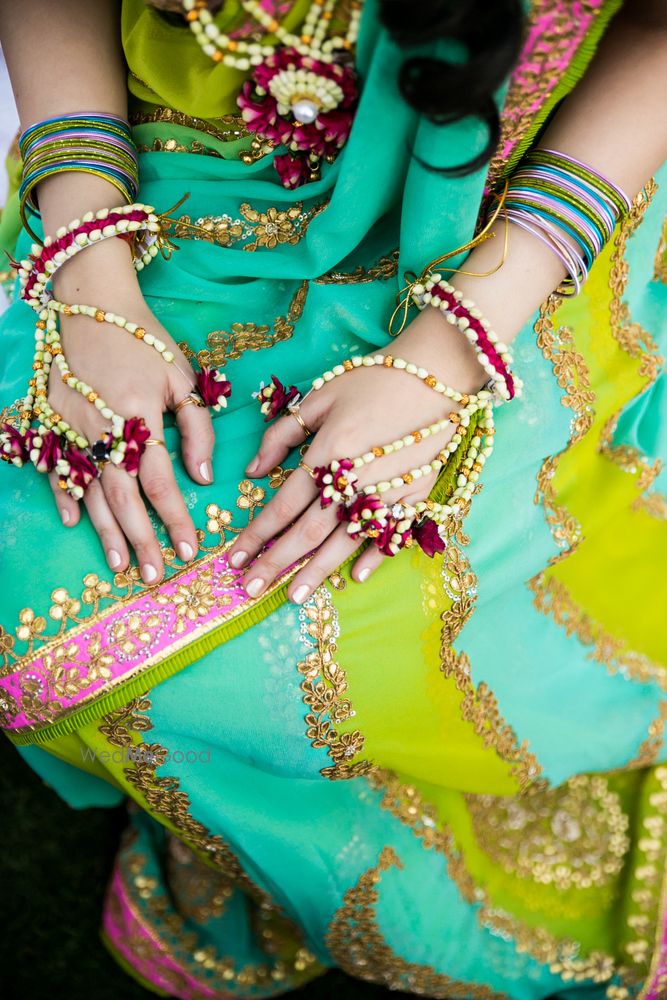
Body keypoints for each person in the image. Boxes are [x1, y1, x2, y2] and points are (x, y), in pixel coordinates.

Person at [0, 0, 666, 996]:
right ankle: (236, 816)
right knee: (46, 594)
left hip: (519, 218)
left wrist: (455, 348)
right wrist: (91, 264)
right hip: (175, 186)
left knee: (277, 654)